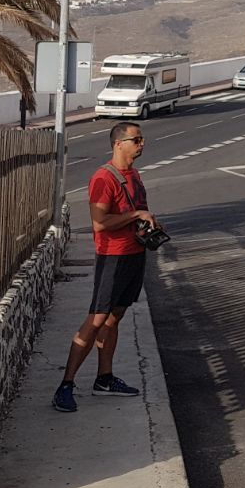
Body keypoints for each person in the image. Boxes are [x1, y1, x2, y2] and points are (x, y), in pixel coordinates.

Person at [52, 121, 161, 412]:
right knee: (97, 319)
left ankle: (104, 378)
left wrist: (148, 221)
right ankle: (65, 385)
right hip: (113, 257)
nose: (142, 144)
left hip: (135, 254)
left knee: (115, 318)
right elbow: (100, 222)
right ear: (118, 144)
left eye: (141, 139)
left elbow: (133, 212)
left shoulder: (134, 175)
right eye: (136, 140)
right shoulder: (104, 178)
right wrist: (137, 213)